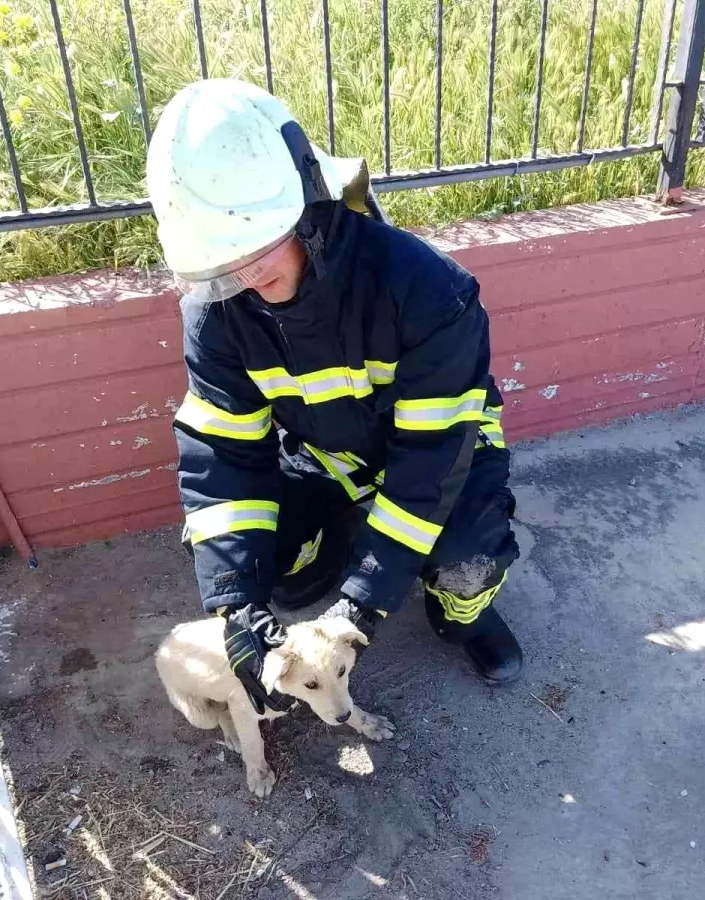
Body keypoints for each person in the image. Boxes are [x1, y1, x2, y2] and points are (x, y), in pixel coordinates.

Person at [146, 79, 523, 713]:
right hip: (324, 457)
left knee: (464, 561)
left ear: (309, 202)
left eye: (257, 247)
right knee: (275, 579)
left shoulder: (426, 289)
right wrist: (235, 604)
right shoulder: (215, 316)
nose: (244, 276)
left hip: (443, 457)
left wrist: (365, 600)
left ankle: (460, 616)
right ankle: (353, 534)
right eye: (219, 262)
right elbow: (224, 458)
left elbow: (431, 462)